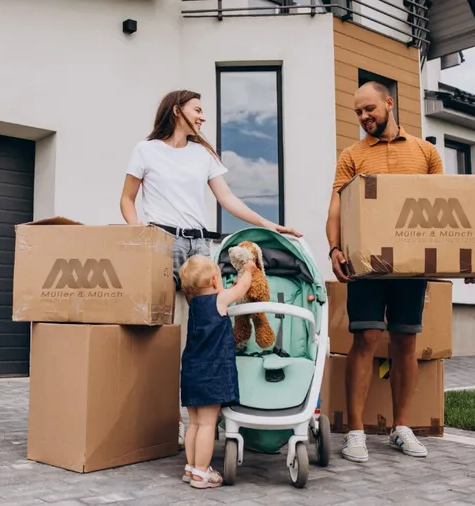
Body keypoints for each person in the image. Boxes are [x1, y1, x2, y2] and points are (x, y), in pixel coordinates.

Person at [120, 89, 301, 448]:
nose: (203, 117)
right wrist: (138, 234)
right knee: (162, 334)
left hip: (199, 247)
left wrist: (270, 225)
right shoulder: (146, 151)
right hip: (161, 243)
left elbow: (228, 199)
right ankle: (162, 420)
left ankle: (200, 423)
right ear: (177, 111)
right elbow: (127, 199)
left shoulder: (203, 155)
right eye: (197, 110)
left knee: (203, 333)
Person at [325, 81, 475, 464]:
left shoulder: (426, 153)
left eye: (369, 109)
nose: (364, 118)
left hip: (410, 267)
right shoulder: (352, 155)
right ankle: (355, 432)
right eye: (358, 112)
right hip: (367, 266)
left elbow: (443, 213)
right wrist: (334, 248)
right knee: (366, 337)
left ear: (389, 103)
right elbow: (337, 207)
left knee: (405, 342)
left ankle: (401, 428)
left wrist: (466, 259)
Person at [177, 254, 254, 488]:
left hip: (192, 372)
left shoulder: (195, 305)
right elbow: (242, 288)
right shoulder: (220, 300)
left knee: (195, 424)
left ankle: (191, 468)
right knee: (208, 425)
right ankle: (202, 472)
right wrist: (249, 269)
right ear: (213, 280)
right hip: (211, 374)